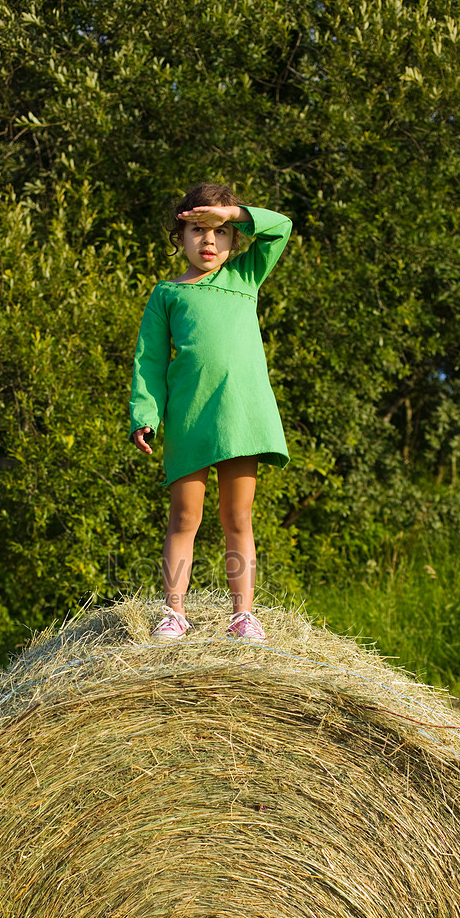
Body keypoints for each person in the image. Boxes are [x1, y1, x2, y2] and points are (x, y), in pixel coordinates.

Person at [129, 182, 291, 641]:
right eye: (198, 230)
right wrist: (145, 413)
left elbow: (281, 227)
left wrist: (233, 212)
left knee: (237, 518)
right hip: (189, 418)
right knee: (184, 518)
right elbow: (150, 360)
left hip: (241, 416)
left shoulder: (245, 277)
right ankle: (174, 613)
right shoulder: (166, 294)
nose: (208, 241)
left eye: (219, 232)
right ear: (178, 237)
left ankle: (243, 615)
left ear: (233, 238)